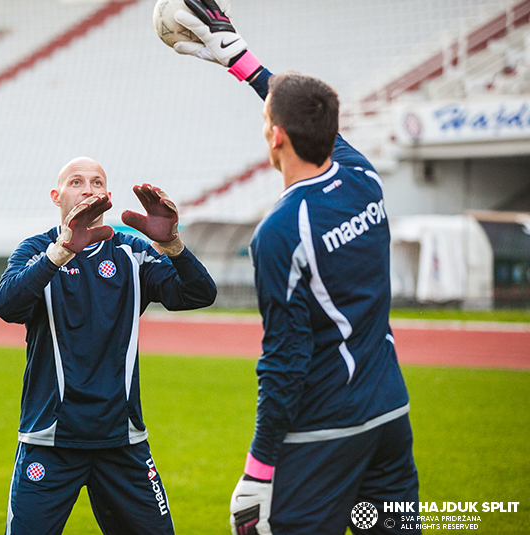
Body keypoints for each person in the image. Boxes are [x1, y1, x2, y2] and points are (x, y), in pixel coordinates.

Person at [167, 2, 421, 534]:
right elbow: (305, 109)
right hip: (389, 415)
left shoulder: (280, 231)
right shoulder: (363, 178)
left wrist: (258, 471)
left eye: (267, 122)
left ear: (276, 137)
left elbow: (284, 360)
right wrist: (238, 58)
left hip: (328, 428)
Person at [0, 156, 217, 535]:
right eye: (77, 182)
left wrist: (172, 244)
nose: (88, 189)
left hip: (122, 441)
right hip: (50, 439)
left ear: (108, 196)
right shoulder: (36, 250)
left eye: (97, 183)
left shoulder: (131, 251)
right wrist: (62, 251)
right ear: (56, 196)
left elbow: (198, 294)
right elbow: (7, 306)